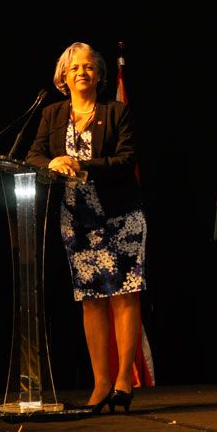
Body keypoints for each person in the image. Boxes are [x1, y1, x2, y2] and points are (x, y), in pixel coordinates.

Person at [26, 42, 146, 413]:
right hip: (76, 218)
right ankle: (101, 383)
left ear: (99, 75)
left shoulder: (117, 112)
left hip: (120, 215)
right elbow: (34, 155)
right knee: (91, 300)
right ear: (63, 76)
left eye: (89, 67)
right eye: (75, 67)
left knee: (124, 295)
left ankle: (123, 380)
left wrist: (82, 165)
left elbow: (126, 159)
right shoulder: (52, 113)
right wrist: (54, 161)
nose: (82, 72)